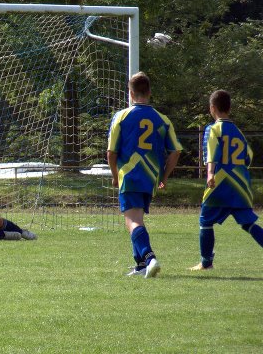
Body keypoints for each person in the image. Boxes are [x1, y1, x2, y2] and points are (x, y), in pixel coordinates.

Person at [107, 71, 182, 278]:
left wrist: (115, 175)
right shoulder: (162, 119)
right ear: (149, 92)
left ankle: (150, 258)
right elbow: (175, 151)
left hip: (129, 174)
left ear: (130, 94)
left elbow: (111, 152)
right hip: (150, 177)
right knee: (135, 219)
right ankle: (140, 265)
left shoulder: (121, 116)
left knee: (133, 221)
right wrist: (164, 177)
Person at [189, 90, 263, 271]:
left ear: (212, 108)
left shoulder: (213, 129)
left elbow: (211, 153)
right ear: (229, 108)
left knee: (205, 221)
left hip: (220, 183)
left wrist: (210, 174)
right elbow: (248, 158)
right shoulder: (238, 133)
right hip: (240, 184)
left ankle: (206, 263)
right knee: (248, 223)